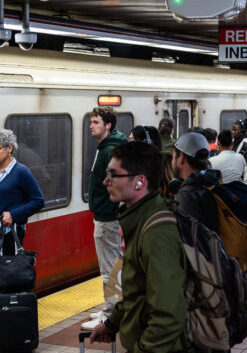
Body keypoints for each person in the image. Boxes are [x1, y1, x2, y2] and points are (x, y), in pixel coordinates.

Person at [89, 141, 189, 353]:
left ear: (139, 182)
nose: (106, 181)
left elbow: (168, 315)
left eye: (114, 174)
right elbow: (135, 291)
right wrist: (111, 324)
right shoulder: (140, 219)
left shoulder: (156, 234)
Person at [0, 129, 44, 340]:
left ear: (9, 148)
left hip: (8, 237)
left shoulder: (21, 172)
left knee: (7, 280)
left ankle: (8, 323)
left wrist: (14, 214)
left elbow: (37, 200)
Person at [88, 107, 128, 301]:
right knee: (114, 266)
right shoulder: (109, 146)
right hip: (108, 216)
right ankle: (113, 310)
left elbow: (114, 183)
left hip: (107, 217)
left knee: (110, 269)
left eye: (96, 122)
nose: (91, 126)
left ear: (108, 125)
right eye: (91, 122)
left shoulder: (108, 151)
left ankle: (112, 312)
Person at [173, 132, 220, 233]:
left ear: (181, 158)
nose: (172, 162)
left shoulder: (187, 195)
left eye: (173, 157)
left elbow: (188, 240)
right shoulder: (213, 183)